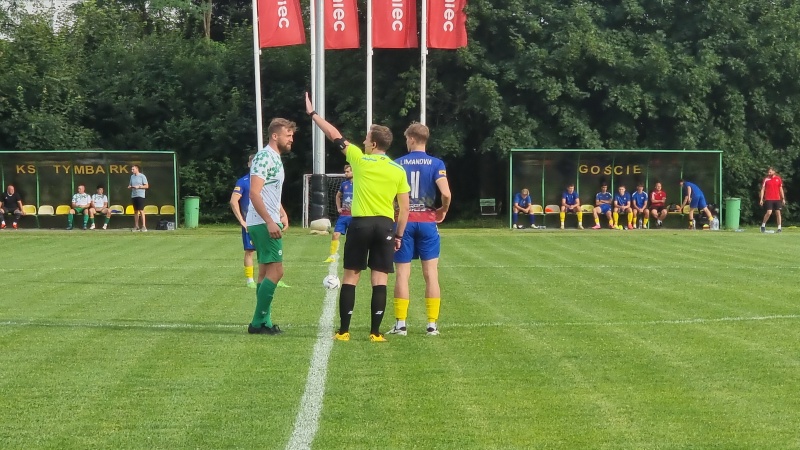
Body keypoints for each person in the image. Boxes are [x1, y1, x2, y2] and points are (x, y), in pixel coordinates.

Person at [305, 92, 410, 342]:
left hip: (361, 224)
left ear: (373, 144)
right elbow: (404, 208)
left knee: (351, 277)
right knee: (379, 279)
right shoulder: (398, 169)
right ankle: (375, 332)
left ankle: (344, 331)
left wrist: (313, 114)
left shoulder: (360, 160)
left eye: (366, 138)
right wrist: (398, 235)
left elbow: (334, 134)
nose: (363, 141)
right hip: (385, 225)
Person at [387, 123, 452, 337]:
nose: (406, 142)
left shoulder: (398, 164)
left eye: (407, 139)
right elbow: (446, 193)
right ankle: (432, 325)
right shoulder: (436, 163)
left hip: (403, 222)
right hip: (427, 222)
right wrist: (443, 209)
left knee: (402, 274)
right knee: (431, 274)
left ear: (412, 139)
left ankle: (401, 324)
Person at [246, 119, 295, 335]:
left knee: (265, 272)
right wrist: (269, 221)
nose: (291, 139)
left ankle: (264, 322)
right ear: (275, 136)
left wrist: (281, 212)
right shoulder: (265, 157)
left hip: (263, 220)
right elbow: (254, 193)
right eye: (288, 135)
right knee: (277, 271)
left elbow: (269, 191)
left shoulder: (274, 157)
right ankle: (257, 322)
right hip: (262, 221)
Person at [231, 154, 258, 288]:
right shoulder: (243, 181)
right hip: (250, 223)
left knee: (270, 251)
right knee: (250, 251)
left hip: (266, 222)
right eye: (253, 162)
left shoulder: (266, 181)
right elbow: (233, 201)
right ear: (249, 164)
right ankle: (250, 280)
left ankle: (271, 279)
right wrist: (242, 220)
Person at [324, 164, 354, 263]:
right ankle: (332, 255)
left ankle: (353, 256)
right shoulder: (344, 184)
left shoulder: (360, 184)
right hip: (344, 215)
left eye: (348, 171)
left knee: (353, 238)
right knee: (336, 234)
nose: (346, 173)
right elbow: (338, 196)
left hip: (355, 216)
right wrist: (338, 208)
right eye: (345, 172)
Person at [759, 167, 786, 233]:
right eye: (768, 172)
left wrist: (783, 198)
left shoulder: (778, 179)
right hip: (768, 198)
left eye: (770, 172)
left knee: (778, 213)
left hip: (777, 198)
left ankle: (779, 228)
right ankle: (763, 225)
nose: (769, 173)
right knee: (769, 212)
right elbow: (763, 189)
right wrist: (761, 199)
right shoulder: (766, 179)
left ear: (774, 172)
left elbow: (780, 189)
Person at [128, 164, 149, 232]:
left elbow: (146, 186)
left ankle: (144, 226)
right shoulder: (132, 176)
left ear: (137, 169)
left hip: (140, 195)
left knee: (141, 210)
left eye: (133, 169)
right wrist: (130, 186)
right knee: (135, 211)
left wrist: (139, 187)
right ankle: (136, 226)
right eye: (132, 169)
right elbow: (130, 184)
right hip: (134, 195)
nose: (132, 170)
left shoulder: (142, 176)